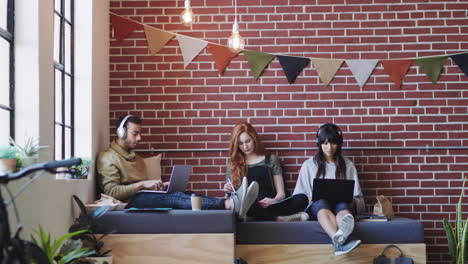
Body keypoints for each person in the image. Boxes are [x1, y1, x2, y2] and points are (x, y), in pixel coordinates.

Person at [97, 114, 258, 220]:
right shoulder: (108, 158)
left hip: (142, 197)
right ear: (121, 133)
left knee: (186, 194)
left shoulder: (136, 158)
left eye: (140, 133)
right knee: (174, 199)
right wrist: (143, 185)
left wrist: (157, 186)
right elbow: (111, 192)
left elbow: (145, 189)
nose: (140, 138)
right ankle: (230, 204)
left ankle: (230, 202)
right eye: (135, 133)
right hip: (129, 202)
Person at [293, 123, 364, 256]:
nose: (329, 148)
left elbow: (359, 198)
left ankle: (339, 242)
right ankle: (338, 241)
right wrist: (310, 198)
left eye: (333, 143)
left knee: (343, 204)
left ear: (339, 144)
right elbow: (298, 197)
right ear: (318, 143)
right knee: (321, 202)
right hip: (319, 208)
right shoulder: (309, 165)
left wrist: (352, 200)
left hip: (342, 207)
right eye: (325, 143)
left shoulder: (348, 165)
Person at [224, 122, 309, 221]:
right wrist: (227, 191)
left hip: (271, 205)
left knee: (302, 199)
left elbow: (281, 193)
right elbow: (229, 200)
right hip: (248, 206)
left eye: (248, 141)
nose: (245, 146)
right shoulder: (233, 164)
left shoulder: (271, 159)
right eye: (240, 143)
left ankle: (263, 216)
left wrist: (274, 200)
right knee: (246, 206)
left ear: (254, 139)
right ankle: (279, 219)